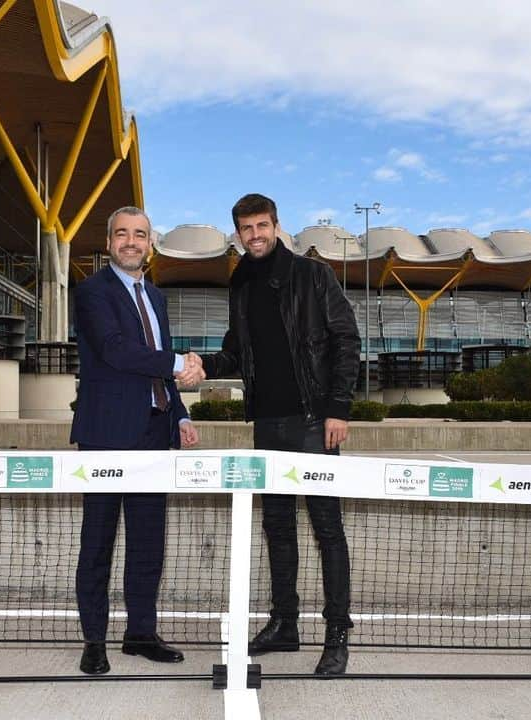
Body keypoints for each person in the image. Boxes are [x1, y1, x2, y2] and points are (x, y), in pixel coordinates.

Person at [200, 193, 361, 675]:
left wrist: (337, 408)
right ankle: (285, 624)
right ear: (237, 234)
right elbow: (235, 354)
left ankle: (336, 635)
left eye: (262, 225)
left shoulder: (313, 276)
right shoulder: (241, 285)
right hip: (267, 425)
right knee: (278, 527)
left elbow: (346, 339)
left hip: (314, 422)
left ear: (277, 226)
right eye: (246, 229)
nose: (255, 235)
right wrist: (195, 365)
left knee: (327, 528)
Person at [70, 206, 204, 675]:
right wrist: (178, 363)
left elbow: (156, 366)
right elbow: (116, 351)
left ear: (150, 244)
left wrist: (181, 414)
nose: (131, 241)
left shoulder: (156, 297)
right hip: (106, 435)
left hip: (154, 433)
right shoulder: (91, 292)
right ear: (109, 242)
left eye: (140, 235)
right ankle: (94, 641)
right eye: (122, 233)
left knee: (148, 541)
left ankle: (141, 633)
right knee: (99, 541)